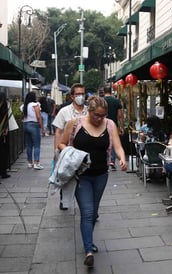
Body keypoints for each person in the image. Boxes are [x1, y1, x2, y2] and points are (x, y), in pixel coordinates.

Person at [57, 96, 127, 267]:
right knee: (87, 213)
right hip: (81, 176)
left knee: (94, 213)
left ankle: (88, 240)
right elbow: (62, 143)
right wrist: (72, 154)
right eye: (96, 115)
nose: (99, 119)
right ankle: (88, 250)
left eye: (102, 116)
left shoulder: (110, 124)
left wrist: (122, 158)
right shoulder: (75, 123)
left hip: (101, 175)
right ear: (90, 111)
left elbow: (117, 145)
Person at [53, 83, 88, 210]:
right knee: (66, 176)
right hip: (68, 150)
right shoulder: (64, 112)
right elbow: (58, 131)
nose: (80, 96)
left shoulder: (89, 111)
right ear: (72, 96)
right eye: (78, 94)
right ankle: (64, 198)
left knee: (84, 178)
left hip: (84, 152)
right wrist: (56, 151)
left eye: (82, 94)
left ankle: (85, 202)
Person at [103, 84, 124, 170]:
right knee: (114, 142)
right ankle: (112, 160)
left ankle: (105, 160)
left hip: (102, 125)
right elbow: (120, 115)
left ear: (104, 92)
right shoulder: (116, 101)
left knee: (104, 142)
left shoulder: (101, 101)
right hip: (114, 125)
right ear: (111, 91)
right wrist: (122, 127)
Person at [22, 92, 45, 170]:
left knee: (29, 145)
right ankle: (36, 163)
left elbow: (23, 116)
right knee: (36, 145)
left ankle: (29, 163)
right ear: (33, 97)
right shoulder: (35, 105)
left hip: (25, 125)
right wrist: (42, 128)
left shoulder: (24, 106)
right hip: (34, 125)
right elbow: (39, 117)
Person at [0, 91, 10, 178]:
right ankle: (3, 172)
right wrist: (5, 128)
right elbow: (5, 115)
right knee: (2, 151)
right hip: (2, 130)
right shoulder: (2, 97)